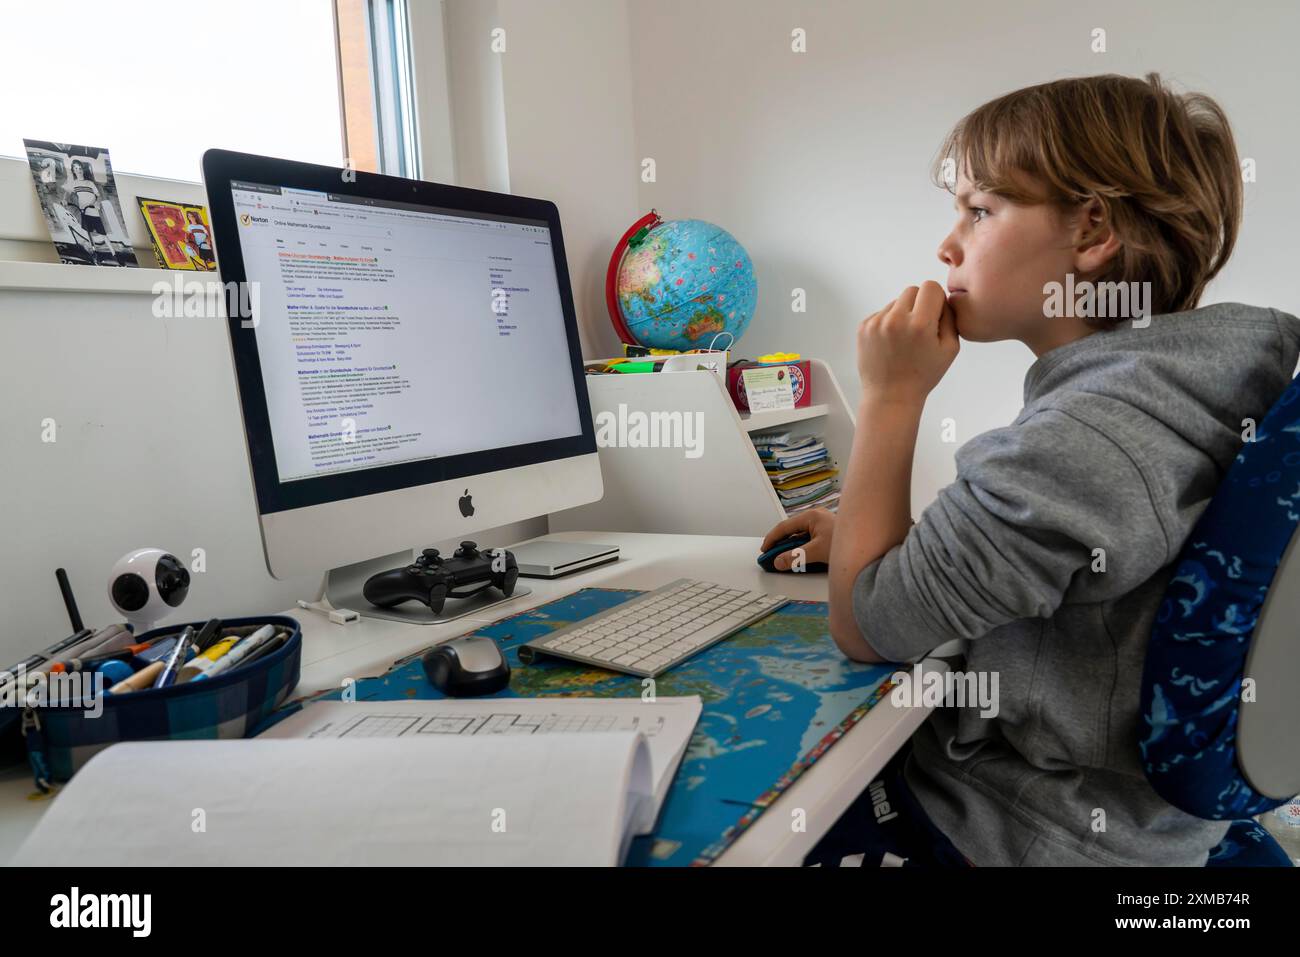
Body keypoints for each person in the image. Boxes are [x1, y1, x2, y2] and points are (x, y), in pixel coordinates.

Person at [768, 72, 1300, 866]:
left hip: (1028, 828)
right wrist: (862, 535)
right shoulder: (1200, 387)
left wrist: (890, 396)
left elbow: (865, 624)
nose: (946, 245)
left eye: (980, 211)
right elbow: (1075, 556)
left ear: (1091, 232)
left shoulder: (1083, 441)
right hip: (1144, 821)